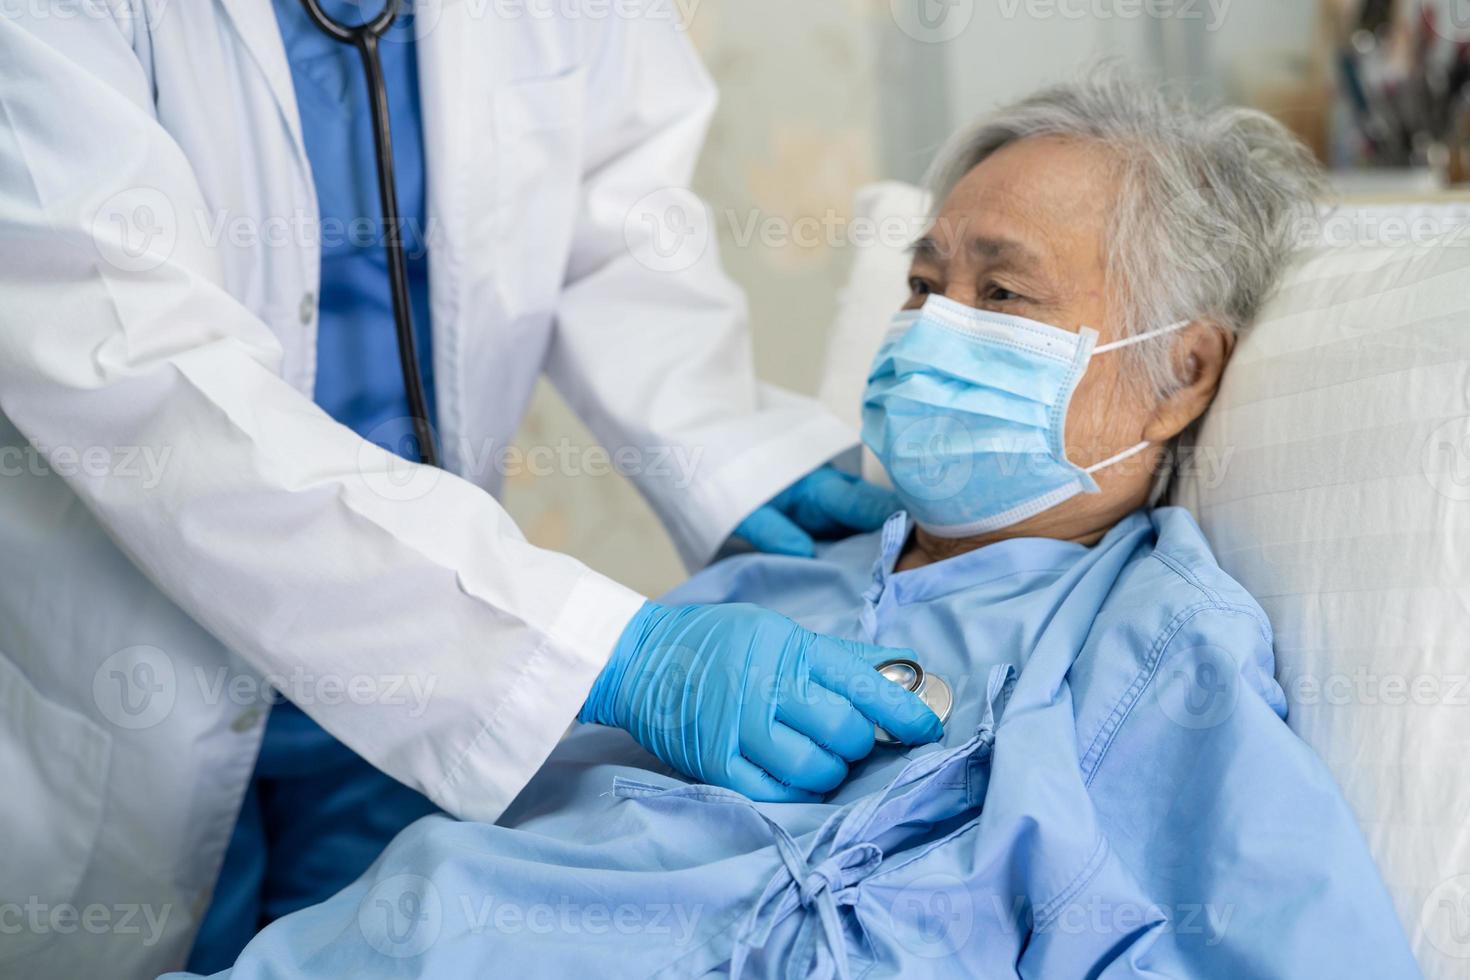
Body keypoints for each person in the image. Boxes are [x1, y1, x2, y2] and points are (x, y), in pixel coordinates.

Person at [169, 73, 1417, 979]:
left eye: (1002, 291)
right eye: (924, 283)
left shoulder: (1147, 651)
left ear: (1182, 370)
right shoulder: (756, 593)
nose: (933, 325)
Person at [0, 3, 942, 976]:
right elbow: (142, 369)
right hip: (128, 657)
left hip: (415, 678)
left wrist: (731, 451)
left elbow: (617, 219)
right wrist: (614, 654)